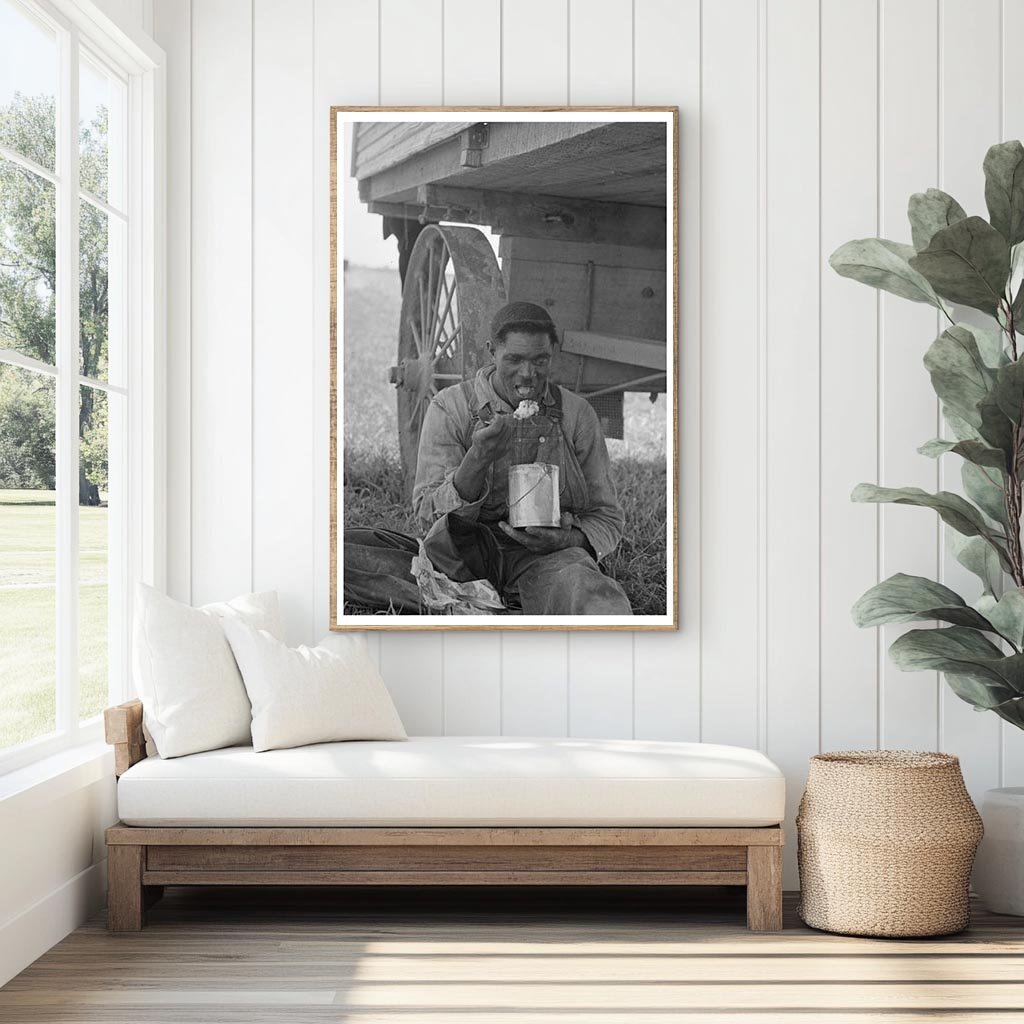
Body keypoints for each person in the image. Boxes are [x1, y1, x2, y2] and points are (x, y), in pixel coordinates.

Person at [410, 301, 632, 616]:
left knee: (593, 598)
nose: (528, 375)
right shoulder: (451, 407)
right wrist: (479, 457)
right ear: (491, 352)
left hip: (546, 559)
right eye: (514, 359)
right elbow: (427, 516)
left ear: (552, 354)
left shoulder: (577, 414)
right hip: (460, 557)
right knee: (351, 557)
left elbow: (606, 518)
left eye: (540, 360)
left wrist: (565, 540)